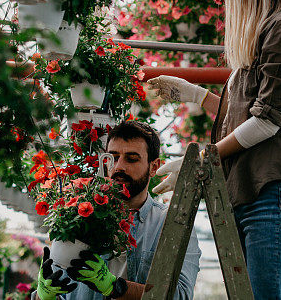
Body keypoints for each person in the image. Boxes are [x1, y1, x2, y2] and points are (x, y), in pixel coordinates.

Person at [148, 0, 281, 300]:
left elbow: (267, 121)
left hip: (272, 192)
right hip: (249, 193)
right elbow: (246, 115)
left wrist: (202, 160)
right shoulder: (263, 36)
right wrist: (193, 94)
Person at [35, 120, 202, 300]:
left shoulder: (172, 223)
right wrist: (44, 295)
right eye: (113, 157)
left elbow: (181, 296)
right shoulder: (78, 215)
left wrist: (116, 287)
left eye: (131, 158)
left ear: (154, 167)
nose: (119, 166)